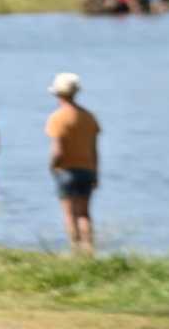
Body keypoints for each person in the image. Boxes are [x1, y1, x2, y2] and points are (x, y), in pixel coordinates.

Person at [46, 72, 101, 255]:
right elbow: (94, 149)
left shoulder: (57, 118)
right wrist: (96, 173)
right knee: (84, 213)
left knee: (70, 215)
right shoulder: (89, 117)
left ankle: (75, 250)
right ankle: (89, 249)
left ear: (57, 94)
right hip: (87, 169)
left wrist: (52, 166)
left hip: (66, 170)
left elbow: (57, 151)